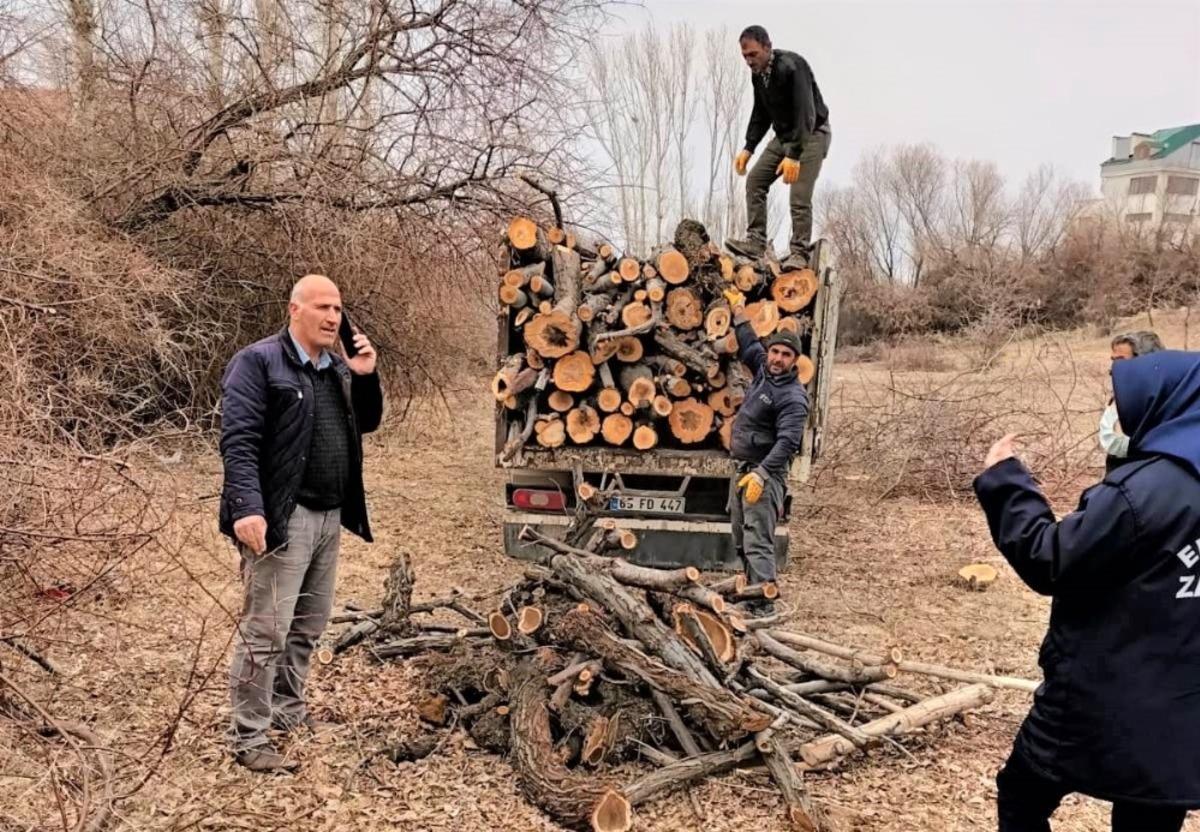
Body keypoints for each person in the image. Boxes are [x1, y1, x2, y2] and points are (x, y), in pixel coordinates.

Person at [974, 350, 1200, 831]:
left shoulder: (1143, 492)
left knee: (1021, 796)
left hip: (1095, 694)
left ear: (1161, 403)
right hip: (1182, 706)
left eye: (1118, 401)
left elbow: (1051, 559)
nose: (1111, 412)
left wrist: (1006, 480)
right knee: (1151, 817)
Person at [220, 274, 383, 773]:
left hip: (330, 516)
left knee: (307, 629)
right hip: (281, 519)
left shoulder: (337, 367)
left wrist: (366, 374)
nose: (333, 317)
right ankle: (249, 736)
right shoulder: (258, 362)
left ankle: (288, 712)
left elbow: (369, 422)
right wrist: (247, 506)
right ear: (295, 310)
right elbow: (239, 439)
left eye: (338, 308)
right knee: (266, 632)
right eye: (323, 307)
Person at [723, 288, 809, 615]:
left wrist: (761, 473)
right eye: (775, 351)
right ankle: (751, 596)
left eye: (786, 355)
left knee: (759, 542)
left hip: (764, 475)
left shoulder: (793, 396)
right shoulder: (764, 371)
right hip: (743, 470)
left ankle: (763, 609)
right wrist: (739, 310)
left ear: (794, 361)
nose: (777, 358)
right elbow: (748, 343)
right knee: (741, 539)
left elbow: (788, 443)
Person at [725, 25, 831, 271]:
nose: (749, 61)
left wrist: (793, 156)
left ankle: (799, 253)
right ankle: (756, 241)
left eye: (753, 54)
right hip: (784, 136)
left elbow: (807, 114)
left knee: (799, 194)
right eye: (745, 56)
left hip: (812, 133)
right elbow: (761, 112)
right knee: (755, 181)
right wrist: (748, 147)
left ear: (767, 47)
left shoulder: (793, 67)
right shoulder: (759, 75)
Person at [1099, 330, 1164, 472]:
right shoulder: (1120, 394)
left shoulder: (1163, 404)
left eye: (1121, 361)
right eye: (1113, 361)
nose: (1113, 369)